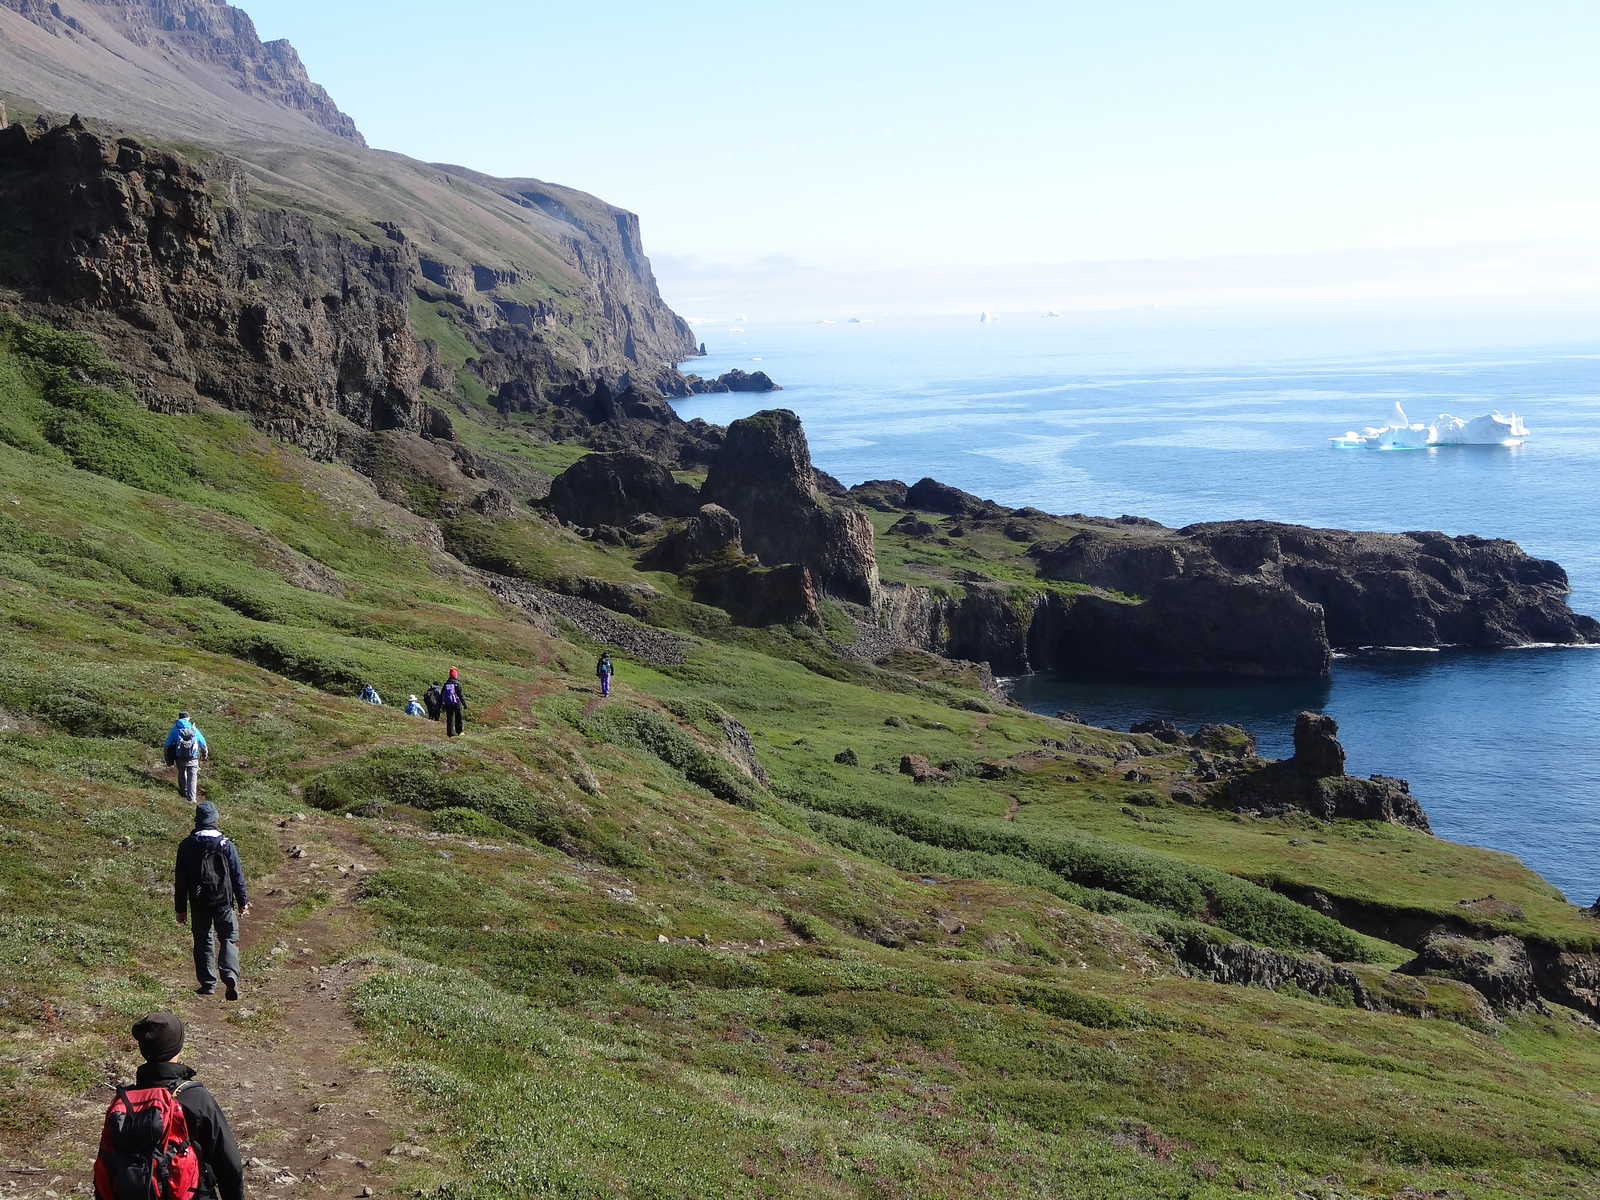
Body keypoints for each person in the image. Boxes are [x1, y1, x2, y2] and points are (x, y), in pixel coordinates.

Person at [95, 1012, 245, 1200]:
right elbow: (230, 1165)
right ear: (178, 1047)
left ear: (143, 1049)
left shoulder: (123, 1102)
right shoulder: (195, 1097)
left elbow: (105, 1167)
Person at [174, 802, 250, 1000]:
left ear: (197, 820)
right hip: (223, 901)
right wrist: (243, 902)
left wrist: (180, 909)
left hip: (199, 901)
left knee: (203, 939)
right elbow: (237, 876)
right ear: (215, 819)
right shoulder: (226, 844)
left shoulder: (186, 845)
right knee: (228, 938)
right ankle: (230, 974)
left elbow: (181, 880)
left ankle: (208, 984)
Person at [162, 712, 209, 803]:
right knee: (192, 777)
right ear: (188, 718)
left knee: (182, 773)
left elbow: (167, 745)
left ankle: (184, 792)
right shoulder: (194, 729)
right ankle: (192, 799)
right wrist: (205, 755)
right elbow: (203, 743)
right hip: (193, 757)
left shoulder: (175, 729)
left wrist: (167, 759)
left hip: (180, 757)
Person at [440, 667, 466, 738]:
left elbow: (442, 695)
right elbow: (461, 695)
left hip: (448, 703)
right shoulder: (457, 683)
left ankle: (450, 733)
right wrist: (464, 704)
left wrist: (442, 705)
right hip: (457, 703)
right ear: (455, 675)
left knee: (450, 718)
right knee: (458, 717)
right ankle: (459, 731)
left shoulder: (446, 684)